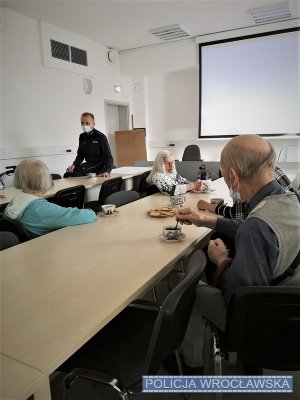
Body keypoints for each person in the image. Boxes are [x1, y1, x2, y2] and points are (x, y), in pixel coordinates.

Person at [174, 134, 300, 371]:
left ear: (233, 176)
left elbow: (239, 298)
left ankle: (192, 364)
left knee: (182, 283)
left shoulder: (256, 227)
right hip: (283, 297)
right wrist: (207, 220)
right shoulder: (289, 199)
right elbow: (259, 230)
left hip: (254, 320)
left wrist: (221, 262)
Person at [5, 159, 96, 238]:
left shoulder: (15, 201)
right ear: (44, 179)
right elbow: (84, 216)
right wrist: (92, 211)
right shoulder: (40, 209)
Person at [197, 166, 293, 219]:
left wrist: (208, 206)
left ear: (233, 176)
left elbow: (238, 215)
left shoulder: (244, 183)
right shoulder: (275, 170)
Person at [65, 112, 113, 177]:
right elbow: (80, 155)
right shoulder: (82, 137)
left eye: (87, 123)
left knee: (74, 173)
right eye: (82, 123)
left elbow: (109, 157)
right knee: (68, 172)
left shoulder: (101, 137)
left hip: (99, 166)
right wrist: (74, 165)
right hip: (88, 164)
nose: (84, 125)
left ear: (93, 124)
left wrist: (107, 171)